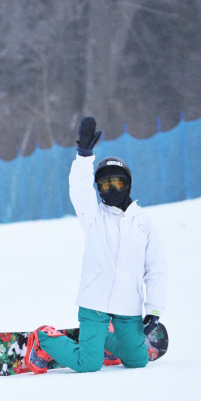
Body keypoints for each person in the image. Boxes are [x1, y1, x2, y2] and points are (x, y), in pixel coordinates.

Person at [25, 116, 167, 374]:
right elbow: (79, 189)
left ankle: (108, 342)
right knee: (88, 364)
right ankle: (43, 339)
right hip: (95, 304)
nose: (112, 189)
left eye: (118, 183)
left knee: (137, 360)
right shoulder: (93, 216)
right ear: (99, 189)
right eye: (105, 184)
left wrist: (154, 308)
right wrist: (83, 155)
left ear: (128, 184)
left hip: (128, 306)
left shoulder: (143, 222)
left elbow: (155, 268)